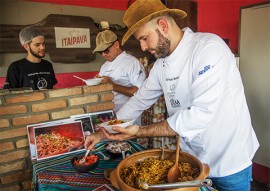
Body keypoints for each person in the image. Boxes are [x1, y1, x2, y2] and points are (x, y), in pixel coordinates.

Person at [85, 0, 259, 190]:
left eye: (144, 38)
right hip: (192, 159)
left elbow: (200, 116)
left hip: (228, 160)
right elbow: (139, 100)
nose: (142, 47)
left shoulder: (208, 49)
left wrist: (140, 131)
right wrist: (103, 132)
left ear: (163, 26)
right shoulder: (161, 65)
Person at [93, 29, 146, 124]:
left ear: (116, 44)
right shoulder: (104, 66)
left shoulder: (131, 63)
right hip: (108, 117)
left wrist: (113, 86)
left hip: (128, 120)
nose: (104, 54)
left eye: (106, 50)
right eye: (100, 52)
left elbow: (140, 93)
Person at [3, 26, 57, 90]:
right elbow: (8, 94)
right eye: (37, 45)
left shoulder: (48, 65)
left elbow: (53, 88)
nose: (42, 47)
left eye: (43, 44)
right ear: (26, 47)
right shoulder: (15, 67)